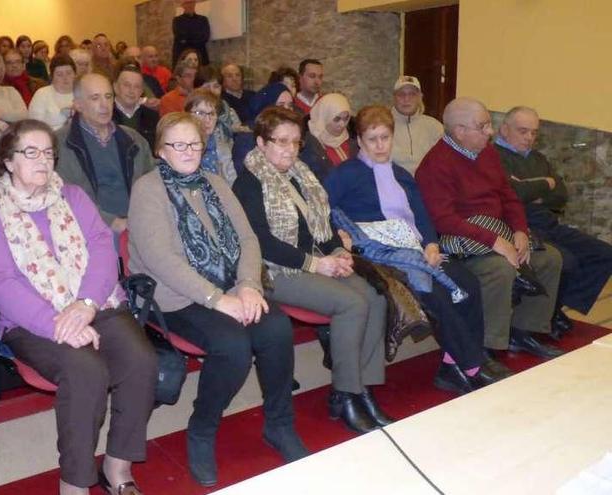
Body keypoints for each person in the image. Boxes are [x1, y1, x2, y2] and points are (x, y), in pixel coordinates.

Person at [0, 119, 155, 495]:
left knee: (141, 360)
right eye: (30, 152)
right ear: (8, 160)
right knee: (85, 369)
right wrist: (61, 321)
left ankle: (117, 467)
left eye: (47, 152)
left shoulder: (72, 196)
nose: (42, 160)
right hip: (31, 322)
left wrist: (85, 306)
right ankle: (74, 483)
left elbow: (104, 248)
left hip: (95, 304)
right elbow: (1, 285)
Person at [128, 112, 308, 487]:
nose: (188, 151)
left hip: (229, 286)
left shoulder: (215, 183)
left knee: (275, 327)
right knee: (233, 344)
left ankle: (279, 424)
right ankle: (202, 429)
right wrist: (216, 298)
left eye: (194, 143)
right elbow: (162, 260)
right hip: (175, 296)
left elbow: (247, 239)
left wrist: (248, 286)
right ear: (161, 150)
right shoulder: (148, 189)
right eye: (178, 144)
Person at [324, 105, 509, 395]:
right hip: (377, 253)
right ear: (359, 141)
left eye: (385, 137)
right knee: (435, 294)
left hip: (413, 248)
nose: (380, 145)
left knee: (467, 283)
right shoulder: (345, 174)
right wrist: (340, 237)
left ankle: (452, 364)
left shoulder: (399, 173)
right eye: (372, 139)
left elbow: (420, 214)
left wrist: (431, 244)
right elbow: (324, 211)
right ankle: (472, 365)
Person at [231, 106, 390, 431]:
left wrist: (335, 250)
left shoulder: (301, 174)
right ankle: (345, 394)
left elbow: (323, 222)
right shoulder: (248, 183)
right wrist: (318, 263)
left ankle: (364, 388)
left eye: (295, 142)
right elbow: (260, 242)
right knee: (352, 303)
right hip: (273, 271)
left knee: (375, 297)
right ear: (261, 143)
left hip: (316, 260)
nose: (290, 149)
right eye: (281, 141)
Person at [415, 97, 564, 359]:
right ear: (460, 131)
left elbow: (508, 196)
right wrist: (494, 241)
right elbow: (442, 219)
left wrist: (519, 230)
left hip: (498, 232)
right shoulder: (436, 164)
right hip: (462, 242)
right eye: (483, 126)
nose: (490, 132)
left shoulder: (488, 153)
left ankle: (523, 332)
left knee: (549, 258)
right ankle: (486, 348)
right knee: (499, 269)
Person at [495, 106, 612, 328]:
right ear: (504, 129)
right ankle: (545, 315)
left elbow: (560, 195)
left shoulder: (538, 158)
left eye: (534, 132)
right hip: (520, 227)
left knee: (604, 254)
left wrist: (533, 191)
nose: (529, 137)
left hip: (549, 224)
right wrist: (544, 184)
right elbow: (514, 195)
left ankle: (555, 307)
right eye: (523, 131)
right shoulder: (494, 157)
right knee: (566, 261)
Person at [55, 73, 153, 234]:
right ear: (78, 105)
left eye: (108, 97)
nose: (104, 105)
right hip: (90, 228)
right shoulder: (60, 144)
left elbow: (153, 181)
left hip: (138, 221)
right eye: (95, 98)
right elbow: (64, 196)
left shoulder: (134, 139)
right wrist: (112, 222)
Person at [390, 76, 443, 175]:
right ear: (394, 98)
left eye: (412, 94)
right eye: (401, 94)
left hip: (427, 184)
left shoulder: (435, 127)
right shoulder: (383, 125)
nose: (406, 99)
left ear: (420, 97)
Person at [300, 93, 359, 180]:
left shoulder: (354, 138)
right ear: (324, 116)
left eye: (346, 118)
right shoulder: (308, 143)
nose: (342, 124)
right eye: (337, 119)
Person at [186, 88, 236, 184]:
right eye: (200, 113)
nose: (207, 119)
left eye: (212, 114)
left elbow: (233, 182)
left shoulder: (222, 147)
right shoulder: (181, 148)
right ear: (187, 115)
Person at [112, 60, 160, 148]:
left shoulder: (153, 117)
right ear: (115, 87)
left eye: (137, 86)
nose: (131, 91)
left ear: (142, 91)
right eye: (126, 85)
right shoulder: (106, 116)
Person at [28, 55, 76, 130]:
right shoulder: (42, 94)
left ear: (75, 74)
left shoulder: (82, 93)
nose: (65, 78)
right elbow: (35, 125)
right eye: (59, 74)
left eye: (69, 73)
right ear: (52, 76)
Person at [173, 0, 210, 66]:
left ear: (195, 4)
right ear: (183, 5)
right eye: (187, 3)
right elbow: (181, 37)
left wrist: (188, 38)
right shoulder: (177, 20)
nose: (190, 5)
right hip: (183, 58)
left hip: (201, 57)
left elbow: (205, 37)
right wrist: (197, 36)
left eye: (191, 2)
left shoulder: (203, 19)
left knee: (202, 76)